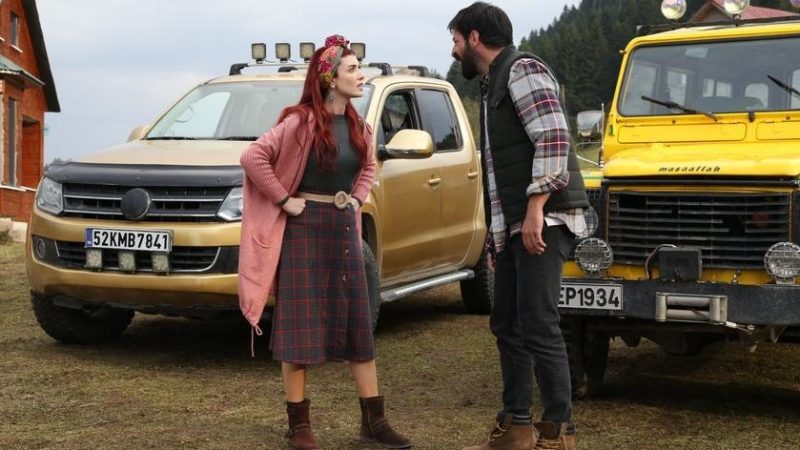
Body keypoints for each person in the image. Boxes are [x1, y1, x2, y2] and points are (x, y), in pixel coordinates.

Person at [238, 34, 411, 450]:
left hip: (343, 229)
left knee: (358, 325)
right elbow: (252, 157)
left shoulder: (359, 125)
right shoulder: (299, 122)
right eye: (353, 69)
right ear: (331, 78)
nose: (361, 75)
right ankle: (299, 426)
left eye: (359, 68)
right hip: (303, 230)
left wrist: (356, 200)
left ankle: (374, 422)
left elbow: (368, 166)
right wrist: (284, 199)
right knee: (299, 329)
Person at [449, 3, 595, 450]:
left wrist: (535, 209)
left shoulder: (522, 69)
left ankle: (558, 431)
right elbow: (499, 173)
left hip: (544, 219)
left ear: (475, 38)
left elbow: (554, 137)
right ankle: (516, 425)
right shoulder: (495, 81)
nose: (453, 50)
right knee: (506, 323)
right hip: (517, 223)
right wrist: (498, 238)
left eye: (456, 40)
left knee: (537, 322)